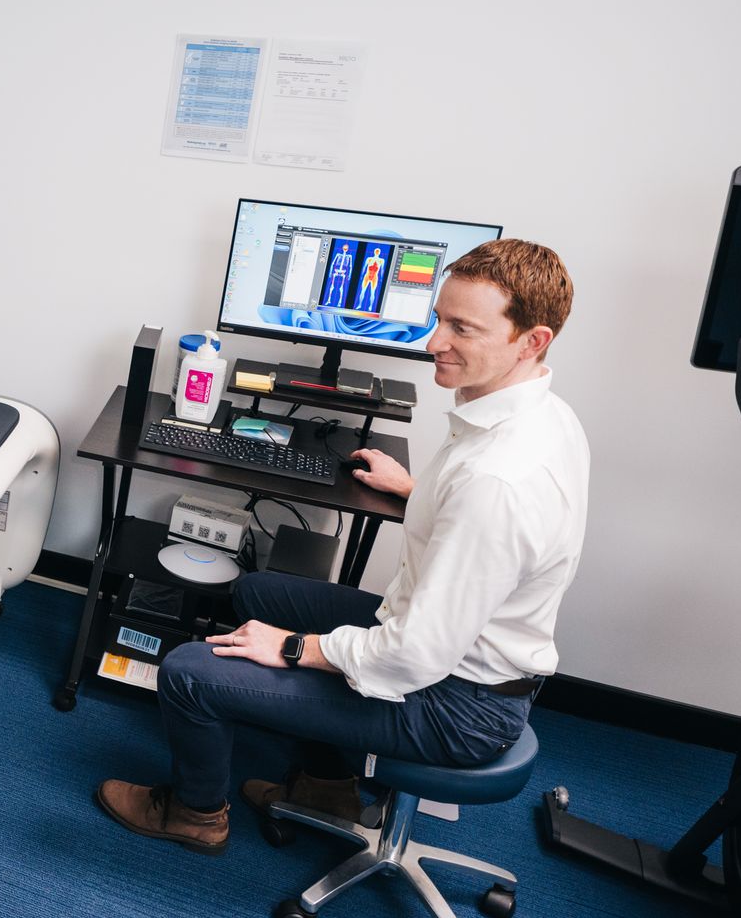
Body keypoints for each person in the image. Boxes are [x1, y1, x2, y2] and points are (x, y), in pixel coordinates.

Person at [97, 239, 588, 854]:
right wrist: (418, 491)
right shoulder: (537, 415)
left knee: (189, 673)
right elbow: (490, 532)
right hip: (452, 656)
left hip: (454, 703)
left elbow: (414, 655)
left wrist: (293, 648)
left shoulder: (497, 482)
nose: (434, 343)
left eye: (462, 328)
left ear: (531, 340)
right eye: (439, 318)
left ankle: (194, 815)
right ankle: (325, 789)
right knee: (257, 591)